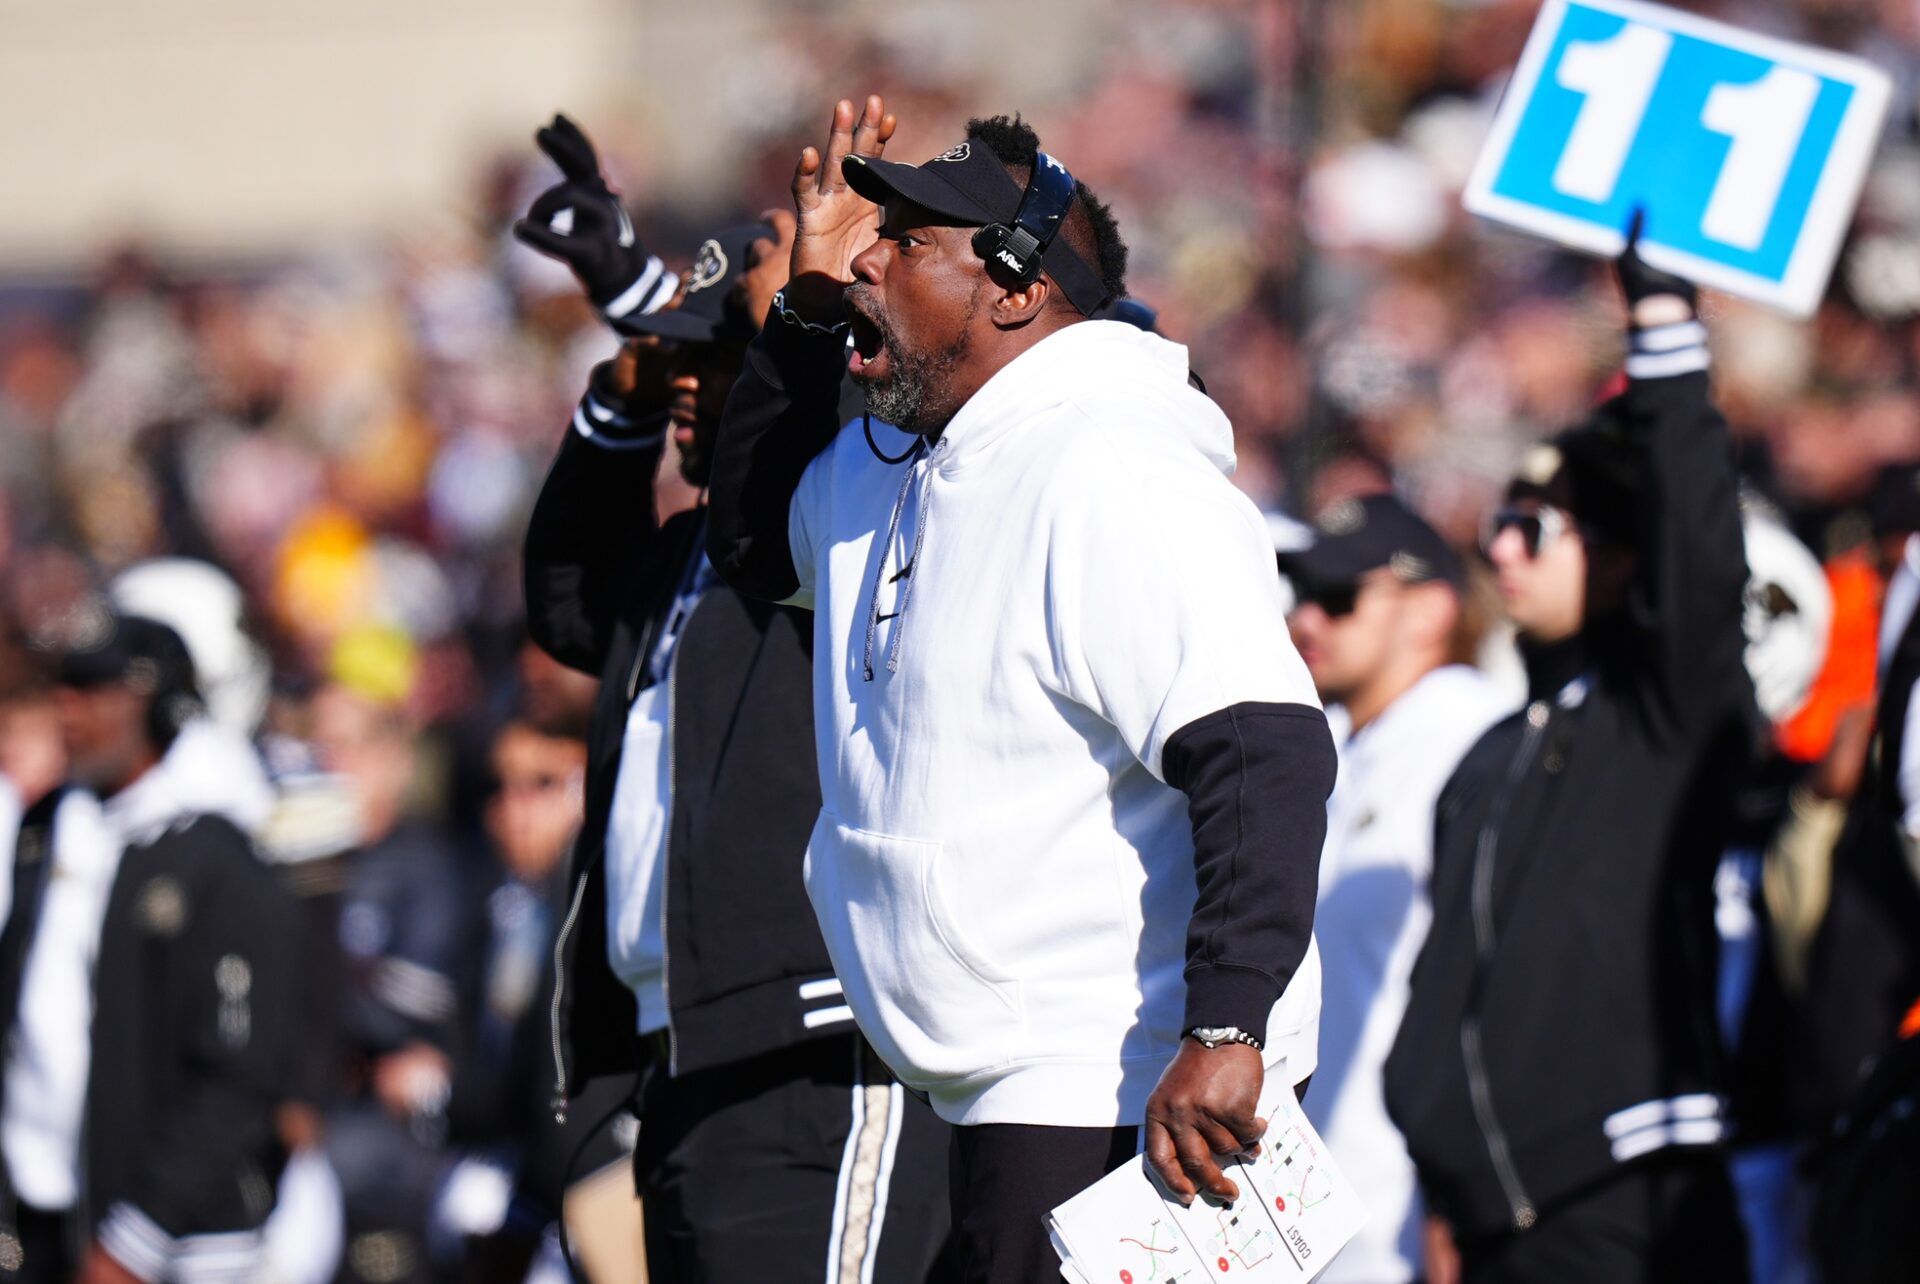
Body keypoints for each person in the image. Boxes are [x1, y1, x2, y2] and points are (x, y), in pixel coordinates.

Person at [704, 98, 1336, 1280]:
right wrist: (797, 305)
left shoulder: (1113, 459)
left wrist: (1225, 1029)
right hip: (992, 1085)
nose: (866, 264)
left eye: (910, 243)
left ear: (1014, 285)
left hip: (1123, 1084)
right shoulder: (900, 455)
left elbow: (1261, 749)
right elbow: (748, 544)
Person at [516, 116, 953, 1282]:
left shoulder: (849, 516)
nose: (690, 390)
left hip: (814, 1044)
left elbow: (824, 424)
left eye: (714, 362)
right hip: (691, 1045)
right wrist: (627, 376)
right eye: (681, 366)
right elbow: (565, 604)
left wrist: (806, 296)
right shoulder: (679, 556)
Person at [1384, 235, 1755, 1283]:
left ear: (1624, 552)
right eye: (1499, 524)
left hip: (1623, 1200)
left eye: (1533, 527)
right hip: (1490, 1217)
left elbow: (1700, 553)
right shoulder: (1495, 750)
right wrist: (1447, 1185)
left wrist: (1667, 338)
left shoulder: (1662, 714)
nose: (1500, 549)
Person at [1279, 496, 1508, 1284]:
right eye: (1299, 594)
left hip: (1404, 1216)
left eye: (1340, 599)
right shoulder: (1330, 744)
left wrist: (1457, 1202)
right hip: (1295, 1211)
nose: (1307, 619)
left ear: (1431, 610)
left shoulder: (1476, 738)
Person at [36, 611, 298, 1284]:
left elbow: (240, 1070)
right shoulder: (47, 829)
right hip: (46, 1209)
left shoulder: (215, 857)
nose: (68, 710)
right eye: (63, 688)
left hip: (179, 1244)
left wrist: (138, 1237)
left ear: (159, 705)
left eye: (96, 691)